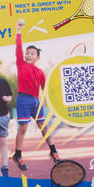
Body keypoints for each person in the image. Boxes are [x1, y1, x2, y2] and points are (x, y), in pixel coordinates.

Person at [11, 18, 58, 170]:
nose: (28, 55)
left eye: (32, 53)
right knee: (23, 129)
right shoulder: (21, 64)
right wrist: (18, 31)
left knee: (43, 127)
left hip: (36, 101)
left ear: (38, 57)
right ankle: (18, 155)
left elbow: (45, 89)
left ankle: (53, 151)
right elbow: (18, 47)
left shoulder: (40, 72)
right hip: (23, 100)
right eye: (27, 53)